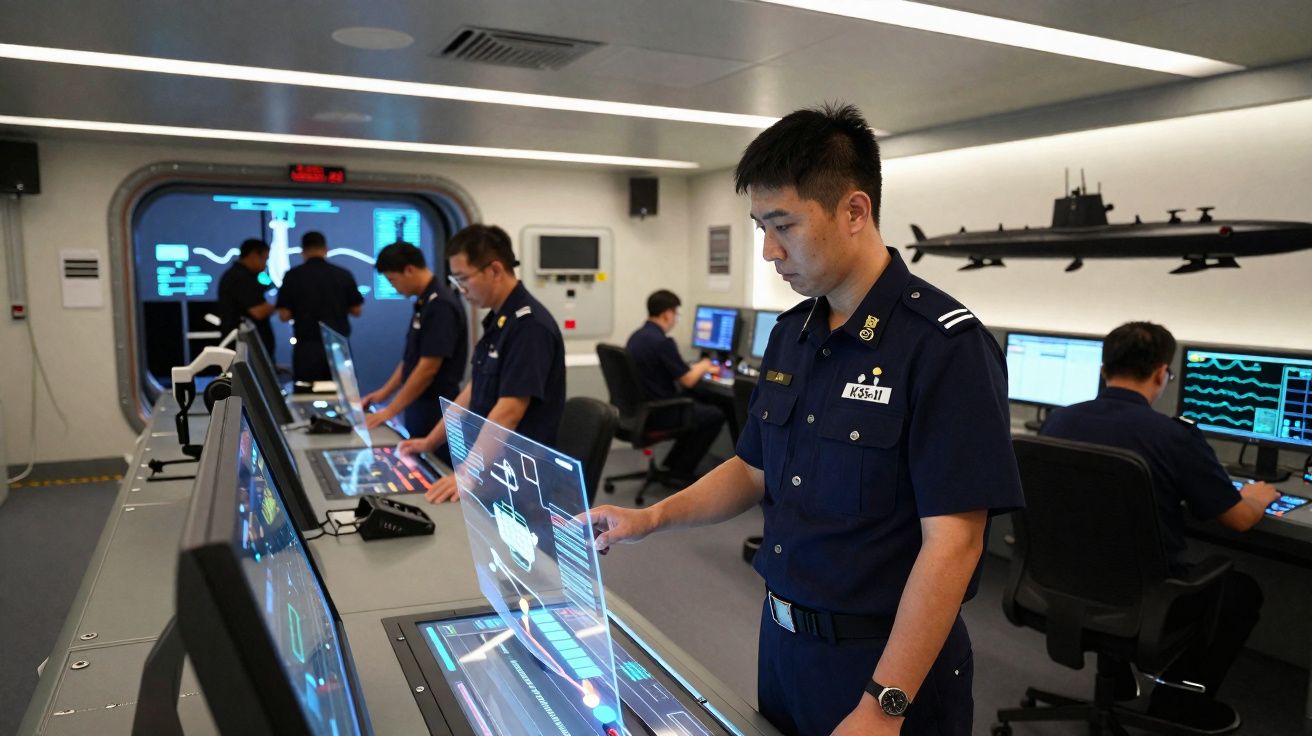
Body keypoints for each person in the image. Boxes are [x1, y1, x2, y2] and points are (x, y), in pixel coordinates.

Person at [589, 104, 1025, 736]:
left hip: (883, 665)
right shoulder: (792, 334)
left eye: (784, 225)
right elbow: (752, 469)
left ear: (854, 211)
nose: (769, 251)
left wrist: (885, 702)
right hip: (784, 644)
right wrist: (651, 517)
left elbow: (954, 542)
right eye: (760, 227)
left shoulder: (943, 346)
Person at [1040, 321, 1278, 733]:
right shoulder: (1174, 437)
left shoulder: (1059, 422)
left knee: (1111, 552)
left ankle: (1115, 682)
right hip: (1147, 597)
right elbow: (1239, 520)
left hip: (1061, 585)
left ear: (1103, 370)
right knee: (1242, 591)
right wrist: (1257, 496)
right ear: (1161, 374)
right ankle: (1178, 701)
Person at [399, 224, 566, 503]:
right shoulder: (499, 320)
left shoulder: (530, 327)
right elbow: (471, 393)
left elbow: (509, 411)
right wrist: (430, 442)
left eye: (464, 279)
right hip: (492, 462)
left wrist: (467, 473)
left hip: (519, 477)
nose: (461, 290)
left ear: (495, 270)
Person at [361, 240, 467, 442]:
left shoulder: (440, 305)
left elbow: (428, 368)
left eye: (393, 280)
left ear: (409, 270)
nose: (394, 287)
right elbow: (411, 359)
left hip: (436, 408)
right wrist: (383, 394)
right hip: (419, 403)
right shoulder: (424, 302)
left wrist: (389, 411)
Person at [625, 289, 724, 478]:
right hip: (661, 412)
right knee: (715, 414)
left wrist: (694, 367)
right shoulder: (661, 342)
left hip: (642, 409)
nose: (675, 319)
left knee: (699, 404)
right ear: (667, 313)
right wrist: (703, 365)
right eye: (676, 314)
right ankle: (680, 471)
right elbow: (687, 380)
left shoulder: (637, 336)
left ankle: (673, 465)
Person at [275, 231, 364, 384]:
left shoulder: (292, 276)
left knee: (306, 396)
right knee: (342, 395)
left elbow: (284, 316)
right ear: (326, 249)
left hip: (306, 348)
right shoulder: (343, 275)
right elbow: (357, 311)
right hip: (338, 346)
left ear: (302, 251)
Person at [217, 237, 275, 357]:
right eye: (265, 258)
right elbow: (258, 311)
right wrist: (282, 304)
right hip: (245, 353)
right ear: (253, 255)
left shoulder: (240, 276)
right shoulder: (241, 278)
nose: (265, 264)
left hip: (246, 352)